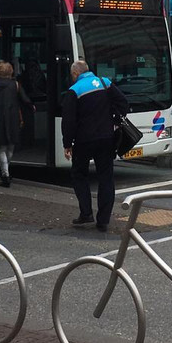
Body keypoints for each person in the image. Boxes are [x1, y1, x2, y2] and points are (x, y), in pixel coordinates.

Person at [61, 59, 128, 232]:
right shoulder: (105, 83)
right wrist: (114, 120)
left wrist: (67, 143)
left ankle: (86, 213)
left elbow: (68, 121)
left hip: (84, 140)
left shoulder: (74, 90)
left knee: (79, 174)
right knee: (106, 177)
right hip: (106, 138)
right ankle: (103, 220)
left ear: (76, 74)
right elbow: (123, 103)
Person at [0, 61, 30, 188]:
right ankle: (6, 171)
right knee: (10, 147)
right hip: (13, 118)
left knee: (1, 148)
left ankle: (5, 174)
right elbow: (25, 100)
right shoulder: (16, 85)